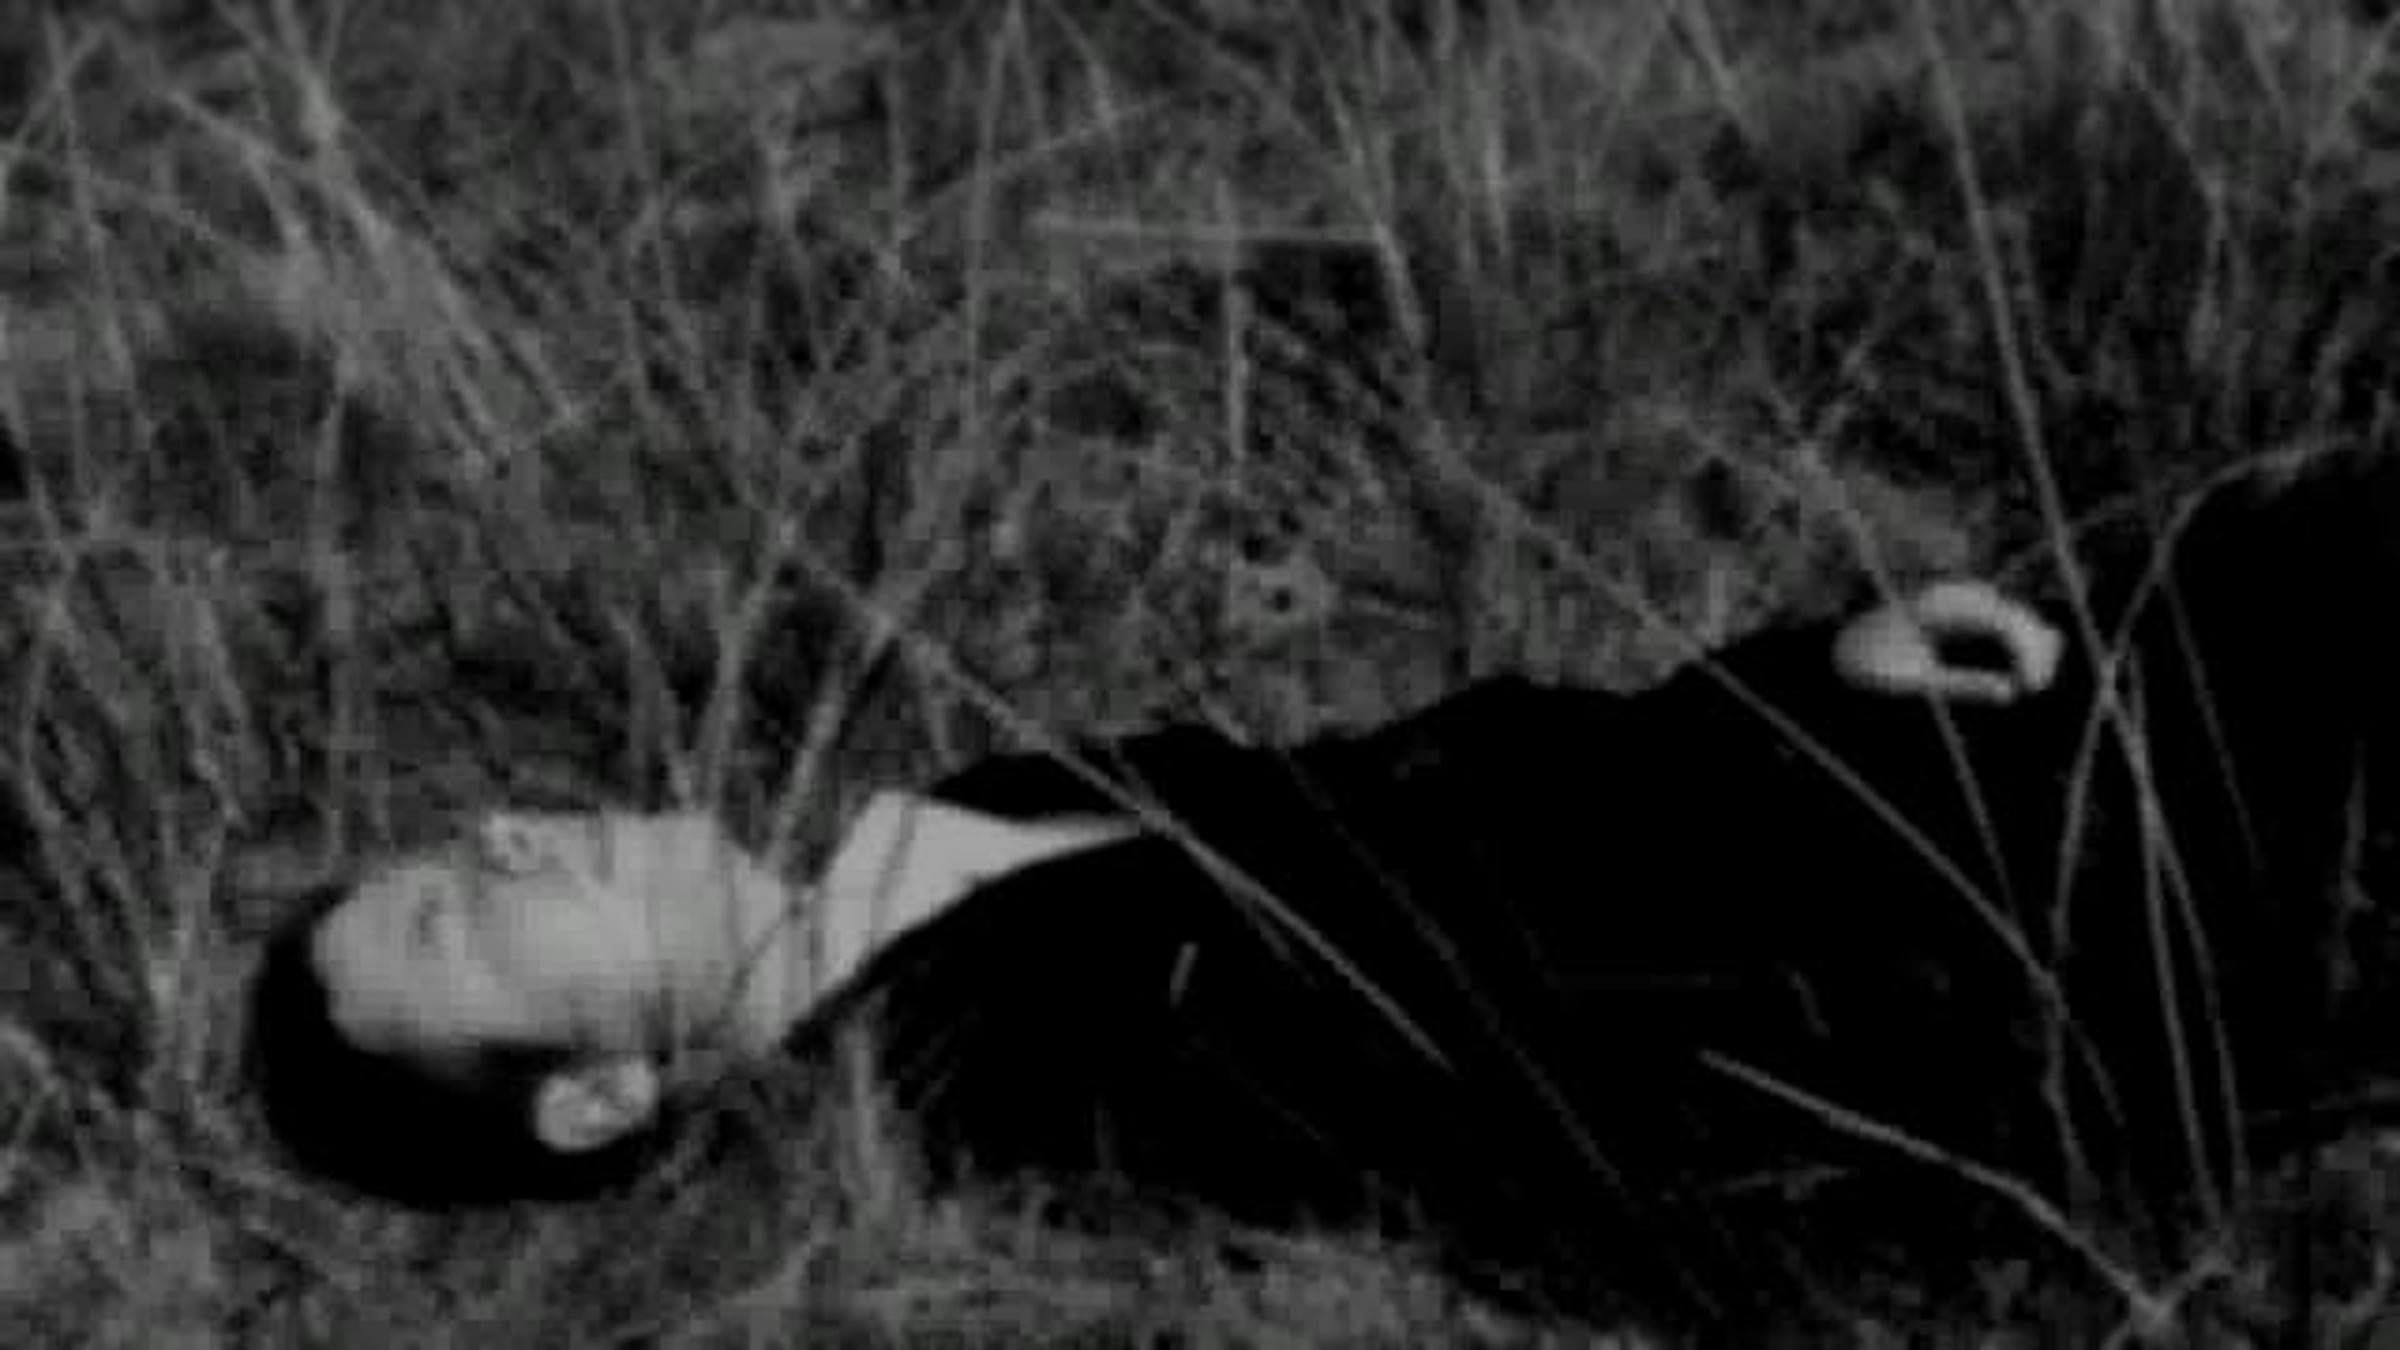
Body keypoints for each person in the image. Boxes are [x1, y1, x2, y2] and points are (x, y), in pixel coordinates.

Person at [248, 446, 2400, 1328]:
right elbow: (1566, 1072)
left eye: (456, 841)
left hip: (1914, 770)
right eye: (455, 916)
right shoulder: (993, 1091)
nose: (499, 834)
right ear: (599, 1098)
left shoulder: (964, 804)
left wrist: (1797, 669)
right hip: (2025, 918)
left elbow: (1437, 778)